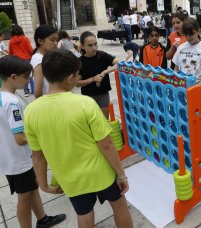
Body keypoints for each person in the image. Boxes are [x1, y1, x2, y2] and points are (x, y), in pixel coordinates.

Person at [24, 49, 133, 228]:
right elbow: (106, 144)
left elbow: (37, 155)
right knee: (120, 207)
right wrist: (121, 175)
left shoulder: (31, 111)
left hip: (70, 178)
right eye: (77, 75)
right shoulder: (85, 103)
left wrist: (43, 185)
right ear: (69, 78)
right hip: (101, 173)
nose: (78, 78)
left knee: (84, 215)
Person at [0, 56, 67, 228]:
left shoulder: (3, 96)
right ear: (13, 77)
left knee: (32, 188)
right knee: (25, 198)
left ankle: (42, 219)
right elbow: (21, 138)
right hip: (19, 160)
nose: (29, 80)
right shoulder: (13, 103)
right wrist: (44, 135)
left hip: (9, 156)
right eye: (26, 76)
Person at [172, 18, 201, 143]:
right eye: (186, 34)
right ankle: (188, 144)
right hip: (181, 90)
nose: (189, 37)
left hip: (198, 91)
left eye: (191, 33)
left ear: (198, 31)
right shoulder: (181, 48)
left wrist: (195, 87)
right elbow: (175, 68)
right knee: (184, 118)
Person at [77, 31, 118, 119]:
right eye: (90, 45)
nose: (94, 47)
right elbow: (76, 83)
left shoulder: (102, 55)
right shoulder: (80, 62)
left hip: (103, 94)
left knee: (104, 121)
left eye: (95, 44)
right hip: (88, 96)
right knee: (92, 121)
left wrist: (104, 72)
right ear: (82, 46)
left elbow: (119, 64)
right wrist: (93, 79)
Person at [31, 25, 58, 99]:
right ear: (40, 41)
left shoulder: (47, 56)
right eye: (52, 40)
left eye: (57, 40)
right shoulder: (39, 60)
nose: (55, 43)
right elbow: (38, 92)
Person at [8, 25, 33, 97]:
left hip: (17, 61)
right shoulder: (25, 39)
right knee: (30, 75)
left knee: (23, 76)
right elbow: (30, 50)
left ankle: (26, 92)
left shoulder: (11, 41)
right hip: (27, 59)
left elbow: (10, 52)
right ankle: (33, 89)